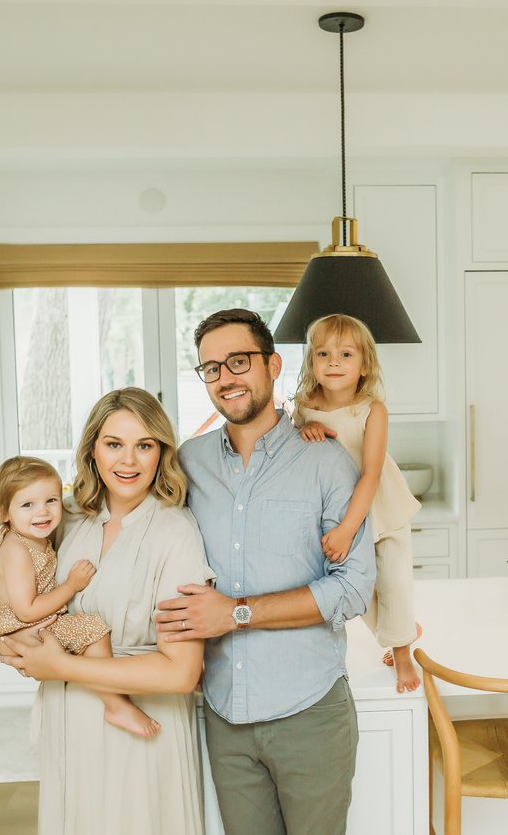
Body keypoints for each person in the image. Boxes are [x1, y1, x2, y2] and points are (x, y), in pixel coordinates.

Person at [154, 308, 375, 835]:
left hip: (310, 713)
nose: (225, 377)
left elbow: (353, 589)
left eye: (238, 361)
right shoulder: (189, 463)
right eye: (211, 368)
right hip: (225, 718)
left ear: (273, 365)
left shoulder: (326, 460)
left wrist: (236, 614)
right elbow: (131, 512)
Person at [0, 388, 212, 835]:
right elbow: (26, 603)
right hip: (70, 724)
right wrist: (13, 640)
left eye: (145, 445)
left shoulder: (176, 533)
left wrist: (58, 664)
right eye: (114, 444)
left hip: (143, 728)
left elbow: (181, 674)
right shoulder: (67, 519)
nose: (128, 461)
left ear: (161, 453)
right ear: (92, 449)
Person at [292, 314, 423, 693]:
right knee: (358, 588)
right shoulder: (303, 406)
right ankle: (401, 630)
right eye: (324, 353)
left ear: (364, 366)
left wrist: (348, 530)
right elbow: (298, 449)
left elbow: (371, 473)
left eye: (345, 354)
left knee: (395, 582)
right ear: (312, 363)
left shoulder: (372, 409)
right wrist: (305, 429)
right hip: (339, 507)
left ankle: (402, 655)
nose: (333, 362)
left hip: (381, 503)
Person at [0, 455, 160, 737]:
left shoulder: (35, 538)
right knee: (94, 629)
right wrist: (72, 585)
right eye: (27, 504)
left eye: (51, 500)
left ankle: (110, 698)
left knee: (89, 632)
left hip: (36, 624)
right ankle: (115, 703)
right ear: (3, 511)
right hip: (24, 629)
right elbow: (27, 611)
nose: (42, 512)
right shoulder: (16, 550)